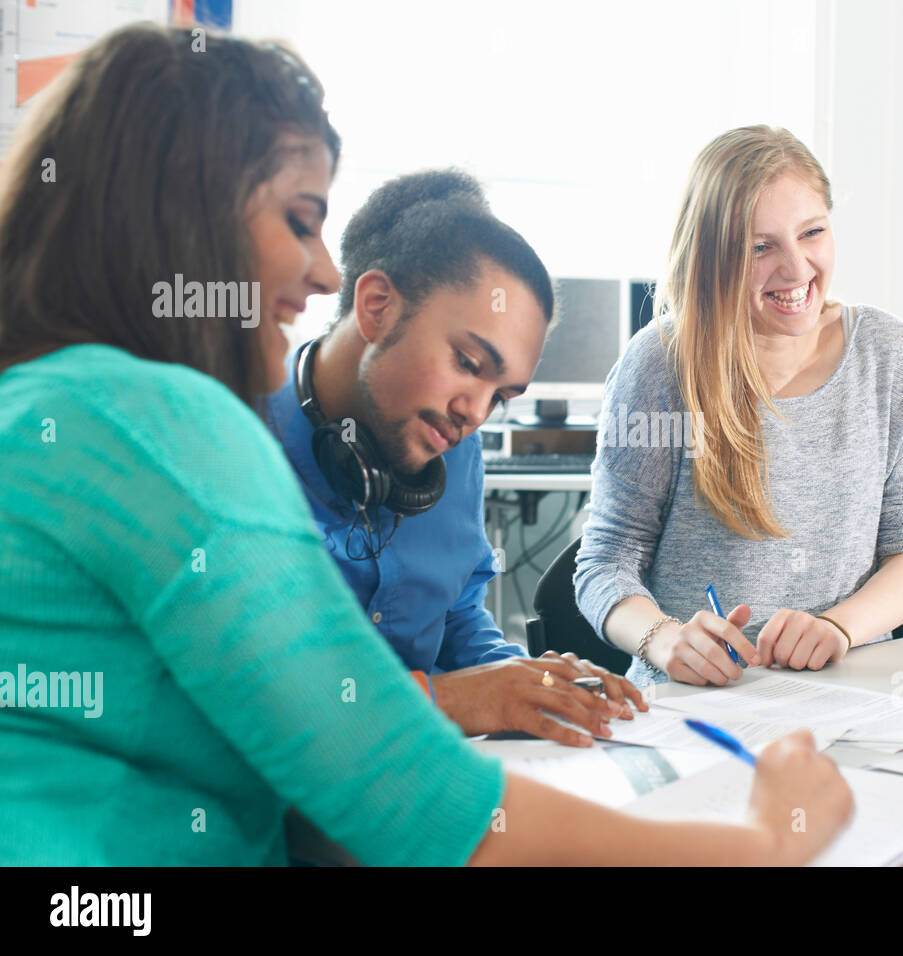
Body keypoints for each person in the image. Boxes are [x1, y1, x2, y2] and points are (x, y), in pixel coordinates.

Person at [0, 24, 851, 866]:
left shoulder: (45, 404)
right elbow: (403, 796)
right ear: (185, 219)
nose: (324, 272)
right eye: (300, 221)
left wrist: (513, 684)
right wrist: (762, 844)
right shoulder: (160, 423)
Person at [263, 169, 646, 749]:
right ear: (376, 306)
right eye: (468, 363)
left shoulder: (454, 451)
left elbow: (457, 621)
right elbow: (262, 697)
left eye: (501, 395)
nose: (475, 413)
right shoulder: (233, 437)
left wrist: (528, 683)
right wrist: (459, 698)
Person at [575, 126, 903, 687]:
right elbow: (605, 561)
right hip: (700, 703)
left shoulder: (888, 353)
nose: (797, 269)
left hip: (852, 695)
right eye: (759, 247)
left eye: (812, 232)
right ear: (711, 257)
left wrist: (839, 628)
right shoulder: (660, 363)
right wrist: (664, 637)